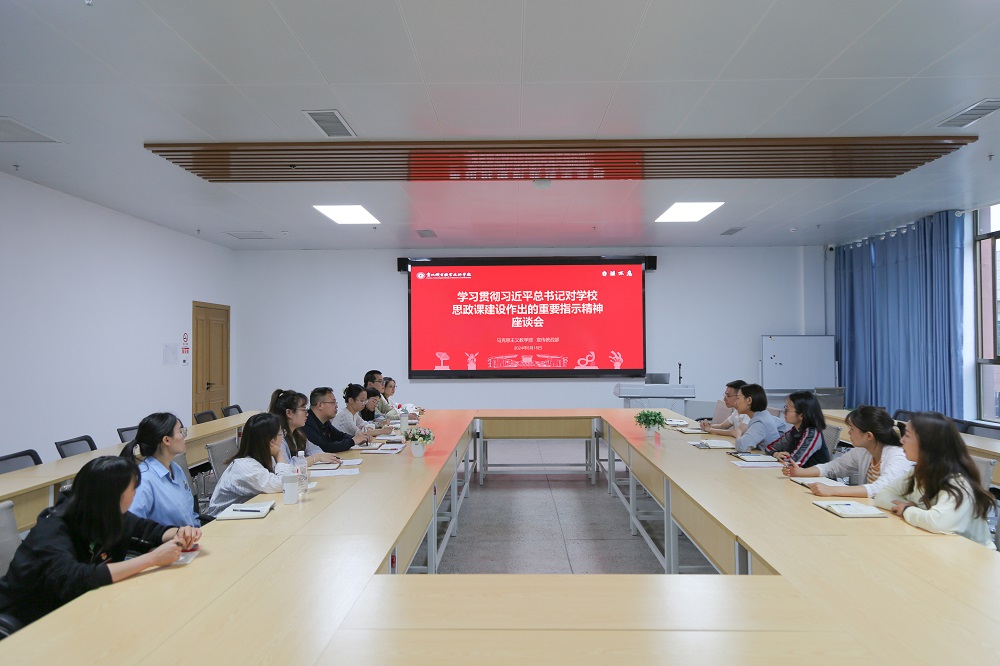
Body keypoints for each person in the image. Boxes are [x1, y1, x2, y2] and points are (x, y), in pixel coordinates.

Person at [0, 456, 200, 627]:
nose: (135, 494)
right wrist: (152, 559)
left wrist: (180, 533)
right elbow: (77, 578)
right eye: (133, 488)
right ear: (114, 496)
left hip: (83, 608)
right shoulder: (52, 531)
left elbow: (148, 530)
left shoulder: (105, 514)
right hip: (32, 621)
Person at [874, 412, 996, 548]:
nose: (901, 440)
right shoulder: (919, 472)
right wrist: (911, 509)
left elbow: (937, 522)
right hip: (943, 548)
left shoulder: (958, 481)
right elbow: (882, 495)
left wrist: (906, 510)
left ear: (927, 443)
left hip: (975, 557)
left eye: (907, 435)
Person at [784, 405, 913, 498]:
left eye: (852, 429)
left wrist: (832, 490)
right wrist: (802, 472)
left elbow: (881, 489)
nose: (849, 433)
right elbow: (833, 467)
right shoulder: (863, 451)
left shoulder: (897, 456)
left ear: (869, 436)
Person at [206, 412, 297, 517]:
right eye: (281, 433)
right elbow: (285, 484)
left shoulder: (265, 458)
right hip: (220, 523)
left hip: (244, 514)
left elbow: (291, 479)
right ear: (271, 441)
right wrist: (279, 454)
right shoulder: (245, 466)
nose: (283, 437)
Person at [121, 412, 200, 527]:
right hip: (167, 543)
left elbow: (190, 516)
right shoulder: (143, 480)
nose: (184, 436)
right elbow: (132, 529)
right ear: (166, 440)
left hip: (191, 539)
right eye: (181, 431)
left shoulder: (176, 469)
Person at [269, 389, 340, 466]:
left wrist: (324, 456)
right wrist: (315, 458)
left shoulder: (297, 433)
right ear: (289, 413)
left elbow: (314, 449)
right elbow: (287, 467)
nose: (307, 414)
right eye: (303, 410)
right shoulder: (278, 436)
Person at [766, 391, 831, 468]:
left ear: (801, 415)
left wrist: (782, 458)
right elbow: (769, 447)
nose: (784, 412)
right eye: (785, 408)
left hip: (818, 478)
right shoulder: (794, 431)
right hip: (799, 476)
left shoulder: (812, 434)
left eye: (787, 410)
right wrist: (775, 454)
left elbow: (795, 461)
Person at [302, 386, 370, 453]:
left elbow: (339, 435)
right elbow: (325, 447)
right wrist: (353, 441)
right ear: (320, 405)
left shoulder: (325, 421)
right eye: (333, 403)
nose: (336, 406)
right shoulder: (307, 423)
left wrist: (359, 438)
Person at [733, 383, 789, 452]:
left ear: (749, 400)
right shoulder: (763, 415)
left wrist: (738, 434)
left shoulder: (760, 422)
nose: (735, 402)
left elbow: (741, 446)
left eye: (738, 398)